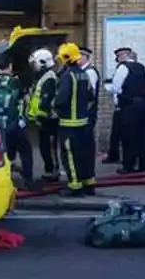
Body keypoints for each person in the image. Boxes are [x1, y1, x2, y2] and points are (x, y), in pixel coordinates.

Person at [0, 56, 33, 189]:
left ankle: (4, 181)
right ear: (10, 66)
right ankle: (28, 181)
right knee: (25, 150)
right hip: (13, 123)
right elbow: (24, 99)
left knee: (4, 153)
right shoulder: (15, 82)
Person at [54, 42, 95, 196]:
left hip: (68, 124)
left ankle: (75, 187)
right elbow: (91, 96)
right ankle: (88, 183)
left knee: (69, 155)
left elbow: (62, 99)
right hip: (83, 123)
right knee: (84, 155)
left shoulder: (67, 76)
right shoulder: (84, 73)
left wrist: (55, 107)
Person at [111, 47, 145, 174]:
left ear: (122, 56)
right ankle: (144, 165)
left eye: (118, 57)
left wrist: (117, 102)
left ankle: (128, 166)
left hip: (129, 106)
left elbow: (116, 88)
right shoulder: (141, 67)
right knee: (143, 136)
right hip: (144, 106)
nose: (117, 60)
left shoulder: (123, 68)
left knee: (129, 136)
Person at [27, 48, 60, 182]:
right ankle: (49, 169)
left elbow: (46, 98)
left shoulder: (49, 78)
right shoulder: (44, 77)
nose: (34, 67)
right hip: (44, 118)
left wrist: (40, 116)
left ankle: (53, 171)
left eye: (35, 64)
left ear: (43, 62)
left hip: (49, 119)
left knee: (49, 146)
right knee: (44, 146)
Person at [79, 46, 100, 190]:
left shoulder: (90, 72)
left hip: (87, 115)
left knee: (86, 147)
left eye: (79, 56)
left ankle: (88, 179)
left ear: (85, 57)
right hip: (84, 115)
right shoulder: (82, 72)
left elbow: (89, 96)